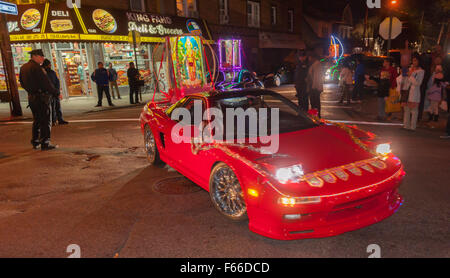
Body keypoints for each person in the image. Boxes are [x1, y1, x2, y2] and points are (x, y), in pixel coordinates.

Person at [19, 49, 59, 150]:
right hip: (42, 97)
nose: (43, 58)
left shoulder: (24, 67)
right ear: (35, 56)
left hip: (32, 97)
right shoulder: (37, 68)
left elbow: (22, 83)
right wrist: (55, 92)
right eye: (41, 56)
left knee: (37, 120)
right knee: (45, 121)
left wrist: (30, 90)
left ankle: (35, 141)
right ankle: (45, 142)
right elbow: (46, 83)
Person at [42, 59, 68, 126]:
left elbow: (57, 81)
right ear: (46, 65)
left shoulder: (52, 72)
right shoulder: (43, 73)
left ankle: (60, 119)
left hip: (55, 91)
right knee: (51, 108)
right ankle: (53, 120)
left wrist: (57, 90)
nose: (50, 66)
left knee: (57, 106)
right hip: (48, 93)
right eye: (49, 65)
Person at [403, 55, 425, 131]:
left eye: (415, 60)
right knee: (407, 109)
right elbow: (406, 80)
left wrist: (410, 76)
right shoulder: (410, 69)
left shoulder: (421, 71)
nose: (414, 62)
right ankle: (406, 126)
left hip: (414, 93)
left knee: (414, 110)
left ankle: (413, 127)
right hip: (407, 92)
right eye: (413, 60)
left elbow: (418, 83)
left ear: (419, 61)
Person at [307, 53, 324, 118]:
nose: (309, 59)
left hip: (315, 87)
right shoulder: (314, 64)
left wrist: (314, 86)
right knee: (314, 102)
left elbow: (316, 76)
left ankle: (316, 116)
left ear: (313, 57)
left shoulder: (317, 64)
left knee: (315, 102)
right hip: (314, 86)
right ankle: (315, 115)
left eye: (309, 57)